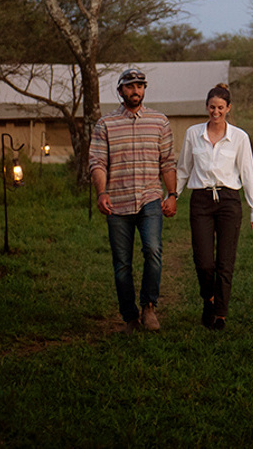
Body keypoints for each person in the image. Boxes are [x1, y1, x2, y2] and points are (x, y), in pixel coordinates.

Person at [88, 67, 177, 334]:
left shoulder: (159, 122)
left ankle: (149, 307)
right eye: (130, 86)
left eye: (139, 86)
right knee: (122, 263)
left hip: (150, 199)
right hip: (118, 201)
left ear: (144, 90)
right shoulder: (105, 124)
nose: (135, 90)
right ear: (120, 91)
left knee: (152, 250)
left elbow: (168, 162)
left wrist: (172, 195)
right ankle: (130, 317)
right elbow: (97, 162)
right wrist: (102, 193)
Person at [176, 82, 253, 330]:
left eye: (220, 108)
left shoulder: (239, 137)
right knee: (204, 261)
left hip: (229, 201)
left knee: (225, 261)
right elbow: (184, 169)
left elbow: (248, 174)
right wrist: (173, 196)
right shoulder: (194, 134)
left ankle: (220, 314)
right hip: (201, 201)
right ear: (206, 107)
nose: (216, 112)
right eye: (212, 107)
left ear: (228, 108)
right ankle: (209, 298)